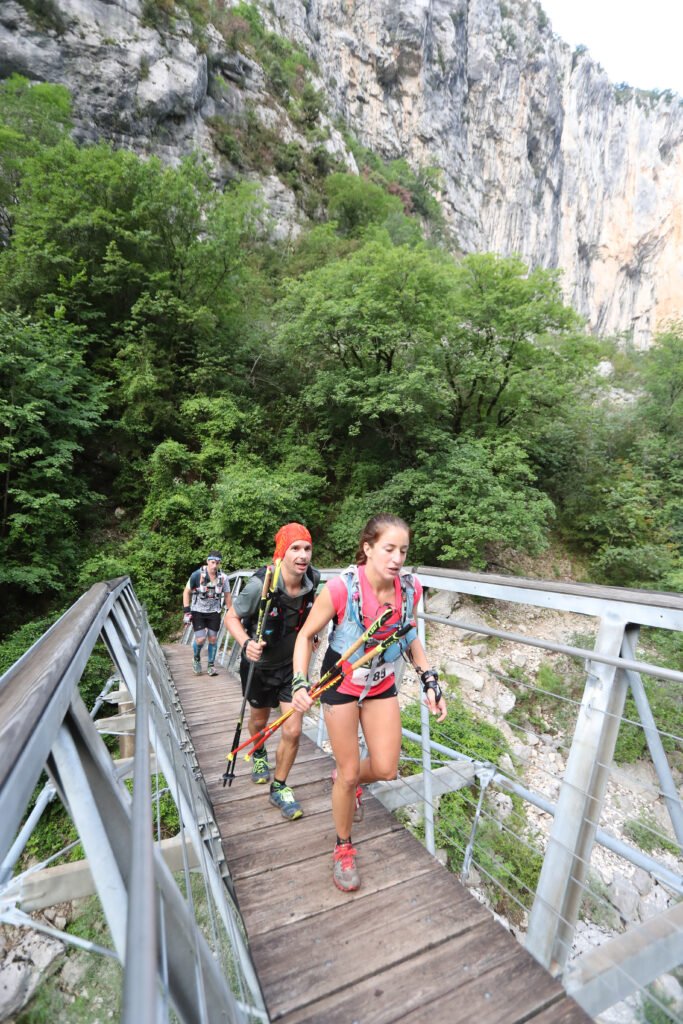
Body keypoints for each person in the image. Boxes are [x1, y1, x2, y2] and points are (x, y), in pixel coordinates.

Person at [291, 513, 447, 893]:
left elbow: (408, 633)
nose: (396, 559)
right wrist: (299, 681)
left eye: (403, 551)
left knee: (386, 767)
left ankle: (346, 782)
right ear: (368, 548)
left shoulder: (410, 589)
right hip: (340, 683)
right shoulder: (341, 589)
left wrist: (429, 678)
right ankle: (343, 846)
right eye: (389, 549)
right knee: (347, 773)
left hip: (380, 683)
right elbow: (306, 635)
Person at [224, 523, 320, 821]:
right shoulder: (259, 585)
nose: (302, 555)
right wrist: (246, 643)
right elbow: (231, 617)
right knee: (259, 721)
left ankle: (279, 787)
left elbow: (313, 615)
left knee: (292, 728)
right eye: (295, 548)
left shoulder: (312, 581)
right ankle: (260, 753)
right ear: (281, 553)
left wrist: (312, 635)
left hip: (292, 667)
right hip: (259, 667)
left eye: (306, 548)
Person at [182, 551, 232, 677]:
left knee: (213, 639)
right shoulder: (196, 575)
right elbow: (186, 592)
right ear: (208, 561)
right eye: (212, 562)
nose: (215, 566)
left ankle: (211, 665)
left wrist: (231, 613)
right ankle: (196, 659)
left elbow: (227, 595)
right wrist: (187, 611)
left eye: (217, 563)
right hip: (198, 610)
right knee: (200, 639)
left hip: (214, 611)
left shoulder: (223, 578)